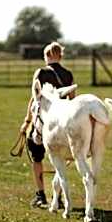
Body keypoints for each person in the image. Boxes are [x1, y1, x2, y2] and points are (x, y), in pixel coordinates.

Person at [28, 41, 75, 209]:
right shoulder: (68, 74)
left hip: (43, 121)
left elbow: (35, 99)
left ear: (47, 56)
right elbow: (72, 101)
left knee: (36, 155)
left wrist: (27, 121)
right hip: (62, 123)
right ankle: (58, 196)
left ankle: (41, 195)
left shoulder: (41, 72)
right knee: (59, 159)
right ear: (60, 56)